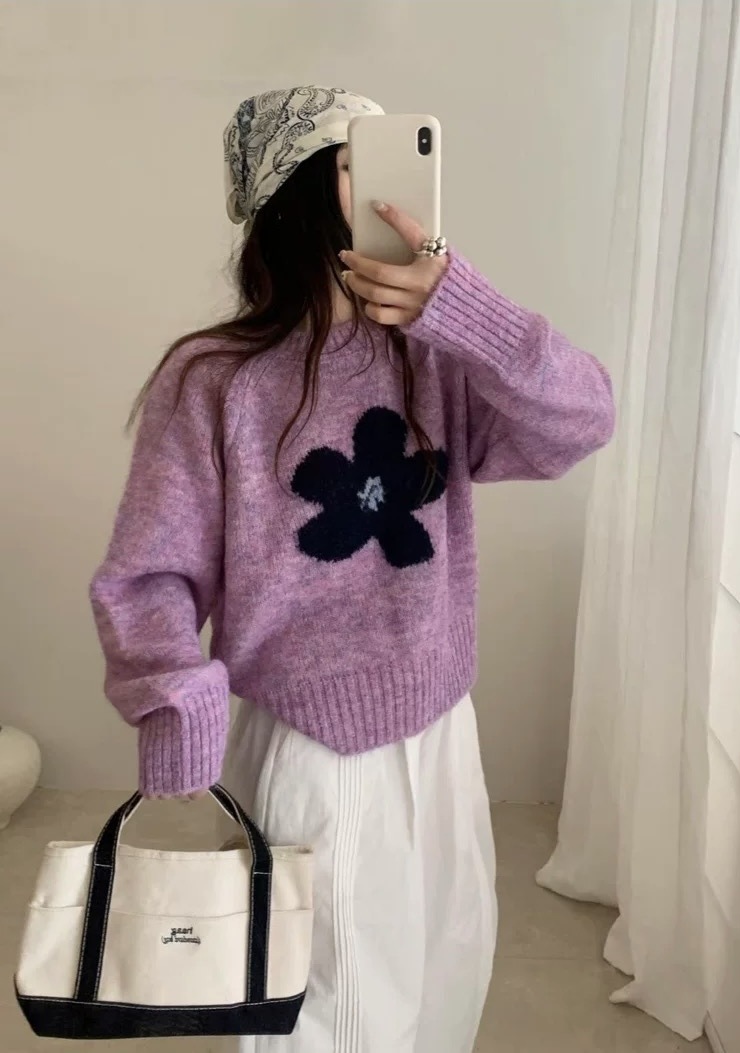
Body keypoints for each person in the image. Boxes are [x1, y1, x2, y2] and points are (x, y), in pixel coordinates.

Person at [90, 86, 615, 1053]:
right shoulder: (214, 378)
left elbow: (583, 419)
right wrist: (173, 696)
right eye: (352, 163)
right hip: (309, 748)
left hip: (442, 732)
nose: (384, 189)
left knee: (444, 976)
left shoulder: (441, 358)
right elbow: (149, 573)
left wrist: (469, 312)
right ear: (292, 195)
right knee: (319, 1016)